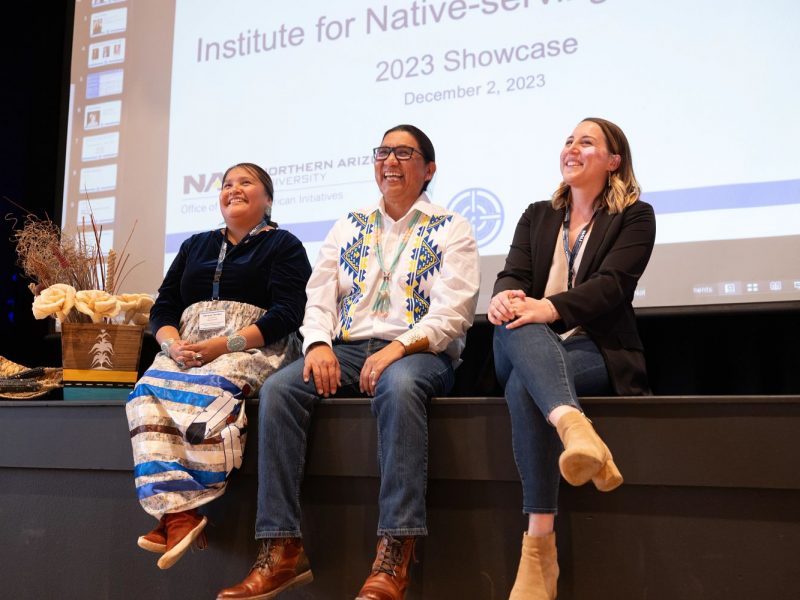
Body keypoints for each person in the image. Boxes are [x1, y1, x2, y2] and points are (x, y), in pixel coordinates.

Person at [216, 125, 480, 600]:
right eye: (383, 152)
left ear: (429, 169)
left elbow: (453, 315)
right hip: (347, 346)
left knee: (398, 387)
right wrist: (317, 344)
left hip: (419, 350)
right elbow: (317, 297)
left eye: (404, 152)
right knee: (278, 389)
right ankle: (280, 546)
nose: (390, 161)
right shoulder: (349, 223)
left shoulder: (452, 228)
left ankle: (395, 550)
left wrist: (398, 349)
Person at [488, 118, 656, 599]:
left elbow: (612, 287)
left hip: (596, 347)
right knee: (511, 321)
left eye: (587, 142)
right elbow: (512, 272)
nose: (573, 148)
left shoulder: (635, 217)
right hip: (524, 341)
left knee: (525, 387)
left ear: (613, 160)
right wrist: (503, 297)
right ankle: (573, 426)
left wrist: (550, 307)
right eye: (568, 141)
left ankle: (539, 549)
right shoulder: (538, 214)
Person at [126, 162, 311, 570]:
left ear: (267, 198)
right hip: (187, 349)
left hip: (252, 348)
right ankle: (180, 514)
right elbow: (164, 308)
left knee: (206, 392)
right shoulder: (195, 245)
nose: (233, 189)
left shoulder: (284, 245)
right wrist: (173, 346)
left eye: (246, 182)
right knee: (143, 395)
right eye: (227, 184)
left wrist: (221, 345)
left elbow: (289, 312)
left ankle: (178, 511)